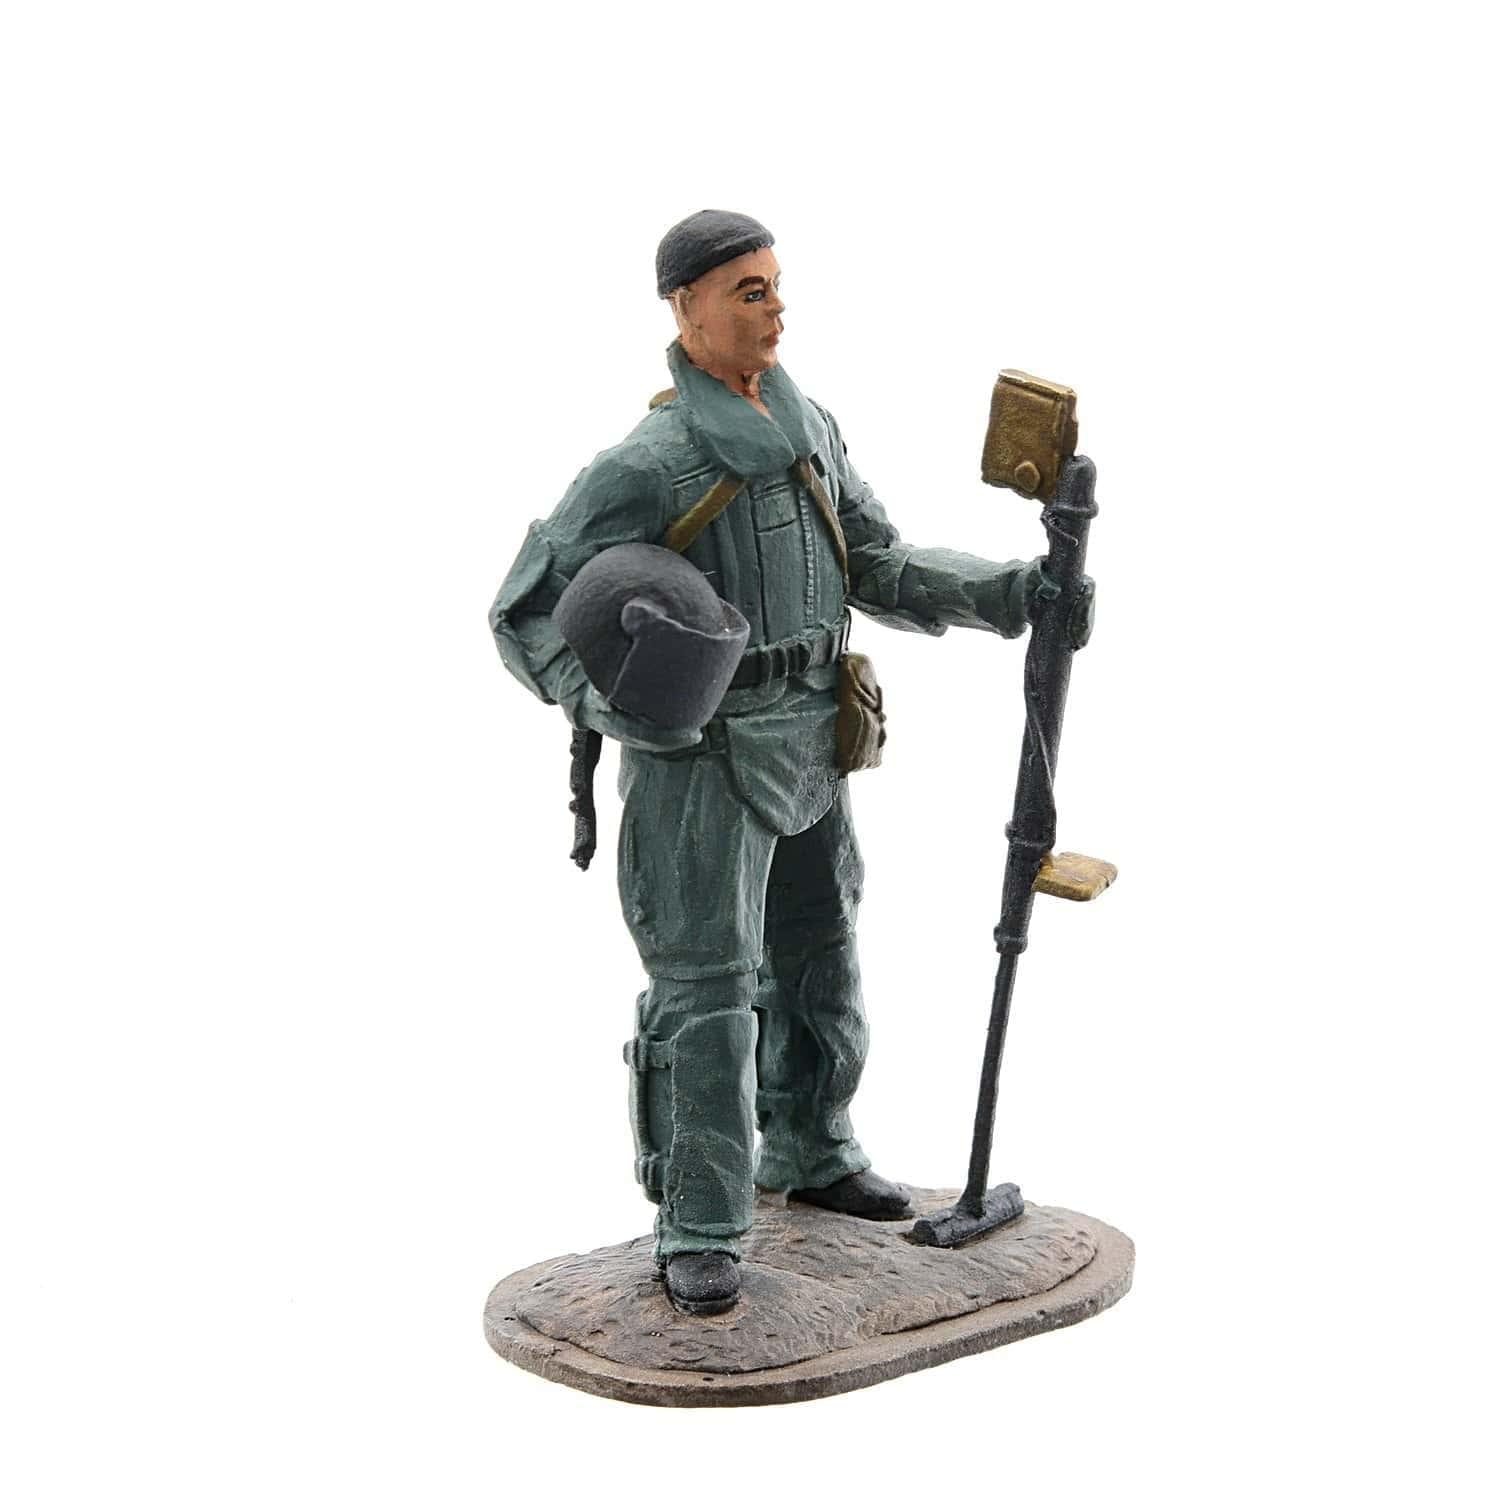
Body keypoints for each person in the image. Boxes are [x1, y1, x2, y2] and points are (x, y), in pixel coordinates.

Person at [490, 210, 1050, 1314]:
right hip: (699, 757)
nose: (775, 308)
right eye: (749, 290)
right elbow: (524, 611)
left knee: (820, 957)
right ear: (686, 306)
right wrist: (612, 702)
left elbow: (876, 562)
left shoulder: (809, 429)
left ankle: (812, 1147)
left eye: (777, 285)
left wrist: (1011, 593)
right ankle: (699, 1222)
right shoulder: (646, 465)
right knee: (707, 993)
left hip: (812, 742)